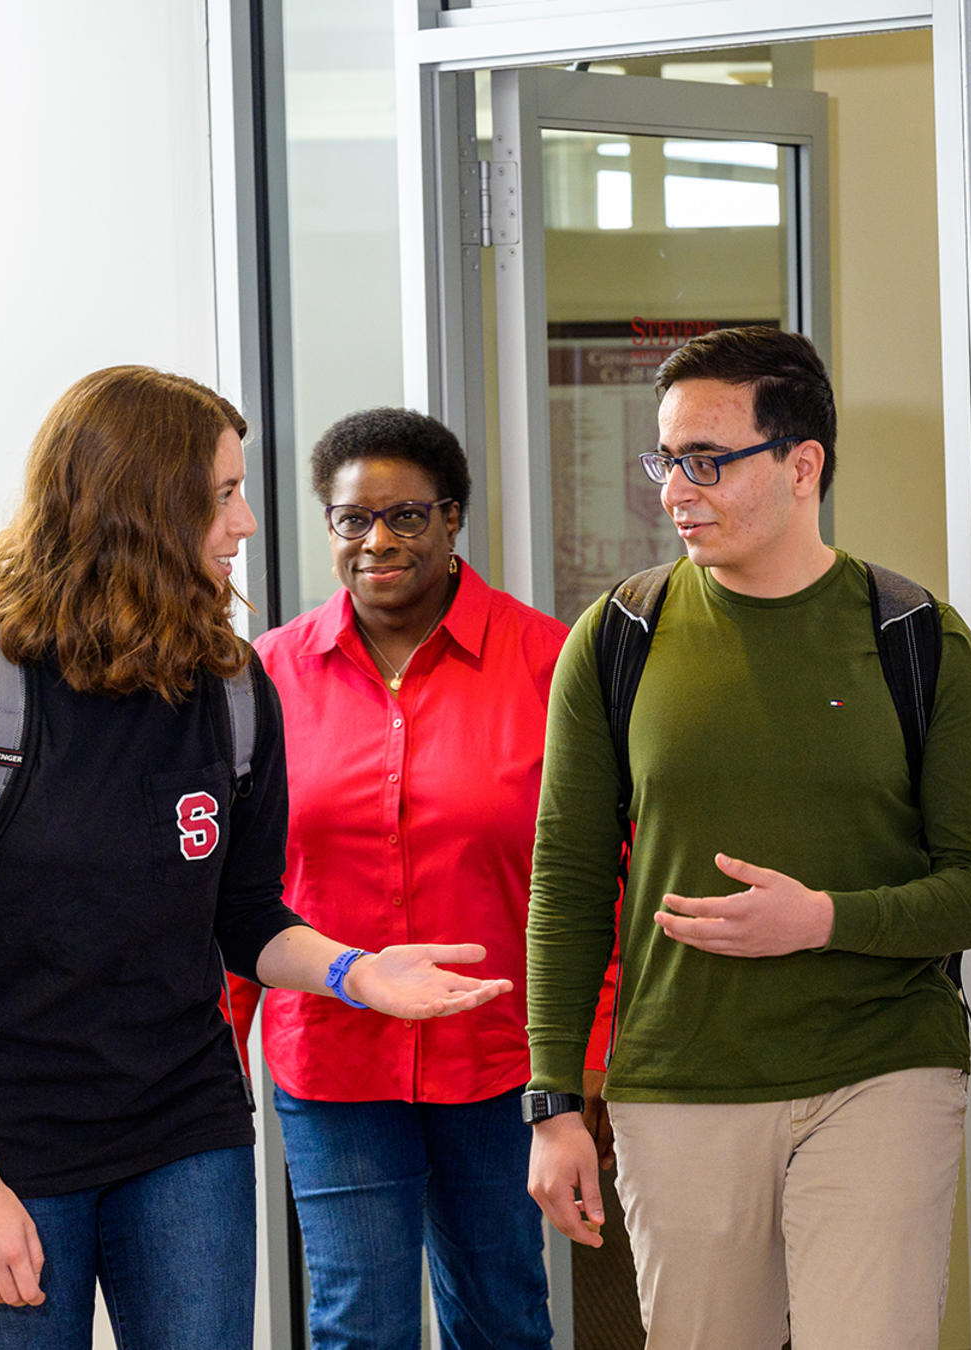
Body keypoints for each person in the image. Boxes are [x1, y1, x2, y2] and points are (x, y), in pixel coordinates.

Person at [0, 366, 512, 1350]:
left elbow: (245, 916)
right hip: (2, 1146)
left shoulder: (233, 687)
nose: (245, 523)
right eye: (223, 495)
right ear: (142, 505)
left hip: (183, 1135)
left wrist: (357, 973)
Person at [521, 327, 971, 1350]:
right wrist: (555, 1101)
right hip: (681, 1079)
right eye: (666, 460)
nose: (675, 491)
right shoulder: (616, 638)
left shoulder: (917, 638)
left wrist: (822, 919)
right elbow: (568, 882)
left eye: (707, 461)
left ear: (803, 466)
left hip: (883, 1066)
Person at [230, 408, 610, 1350]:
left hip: (503, 1062)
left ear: (452, 519)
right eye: (352, 519)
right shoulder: (265, 676)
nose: (378, 541)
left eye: (406, 516)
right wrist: (215, 1054)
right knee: (359, 1322)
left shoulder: (549, 662)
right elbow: (238, 886)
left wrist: (587, 1062)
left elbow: (608, 875)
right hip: (334, 1061)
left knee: (502, 1317)